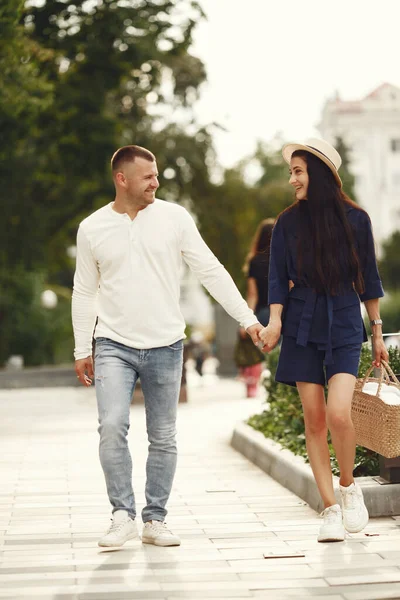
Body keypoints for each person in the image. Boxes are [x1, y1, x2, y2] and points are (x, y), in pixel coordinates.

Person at [72, 145, 262, 548]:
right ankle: (121, 515)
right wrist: (80, 348)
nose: (156, 182)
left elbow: (210, 269)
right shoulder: (92, 228)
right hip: (112, 343)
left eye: (157, 174)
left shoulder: (175, 218)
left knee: (163, 436)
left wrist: (247, 320)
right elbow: (84, 292)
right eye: (148, 176)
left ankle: (154, 519)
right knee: (111, 427)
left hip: (166, 345)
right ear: (121, 179)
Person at [259, 138, 388, 543]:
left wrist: (378, 330)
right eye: (292, 171)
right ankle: (329, 507)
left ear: (320, 174)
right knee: (314, 419)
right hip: (301, 322)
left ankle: (348, 488)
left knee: (338, 414)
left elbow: (368, 277)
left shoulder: (357, 221)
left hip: (345, 320)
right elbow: (276, 279)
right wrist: (275, 321)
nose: (292, 178)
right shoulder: (287, 223)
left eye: (298, 171)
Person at [238, 219, 275, 397]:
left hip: (262, 313)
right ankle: (279, 387)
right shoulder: (282, 259)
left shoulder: (254, 261)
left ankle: (256, 386)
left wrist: (247, 321)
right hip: (282, 312)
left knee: (261, 352)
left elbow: (253, 295)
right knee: (281, 351)